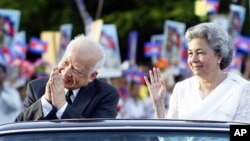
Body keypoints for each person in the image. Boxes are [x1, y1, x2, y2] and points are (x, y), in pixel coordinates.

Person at [144, 22, 250, 123]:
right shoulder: (181, 89)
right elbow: (170, 137)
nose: (193, 59)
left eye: (200, 53)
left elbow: (241, 133)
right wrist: (159, 106)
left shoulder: (242, 88)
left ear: (219, 56)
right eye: (190, 53)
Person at [15, 34, 119, 121]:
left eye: (76, 69)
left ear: (92, 76)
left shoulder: (105, 94)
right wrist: (45, 102)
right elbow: (18, 128)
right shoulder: (36, 88)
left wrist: (62, 107)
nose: (66, 73)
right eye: (65, 62)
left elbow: (97, 135)